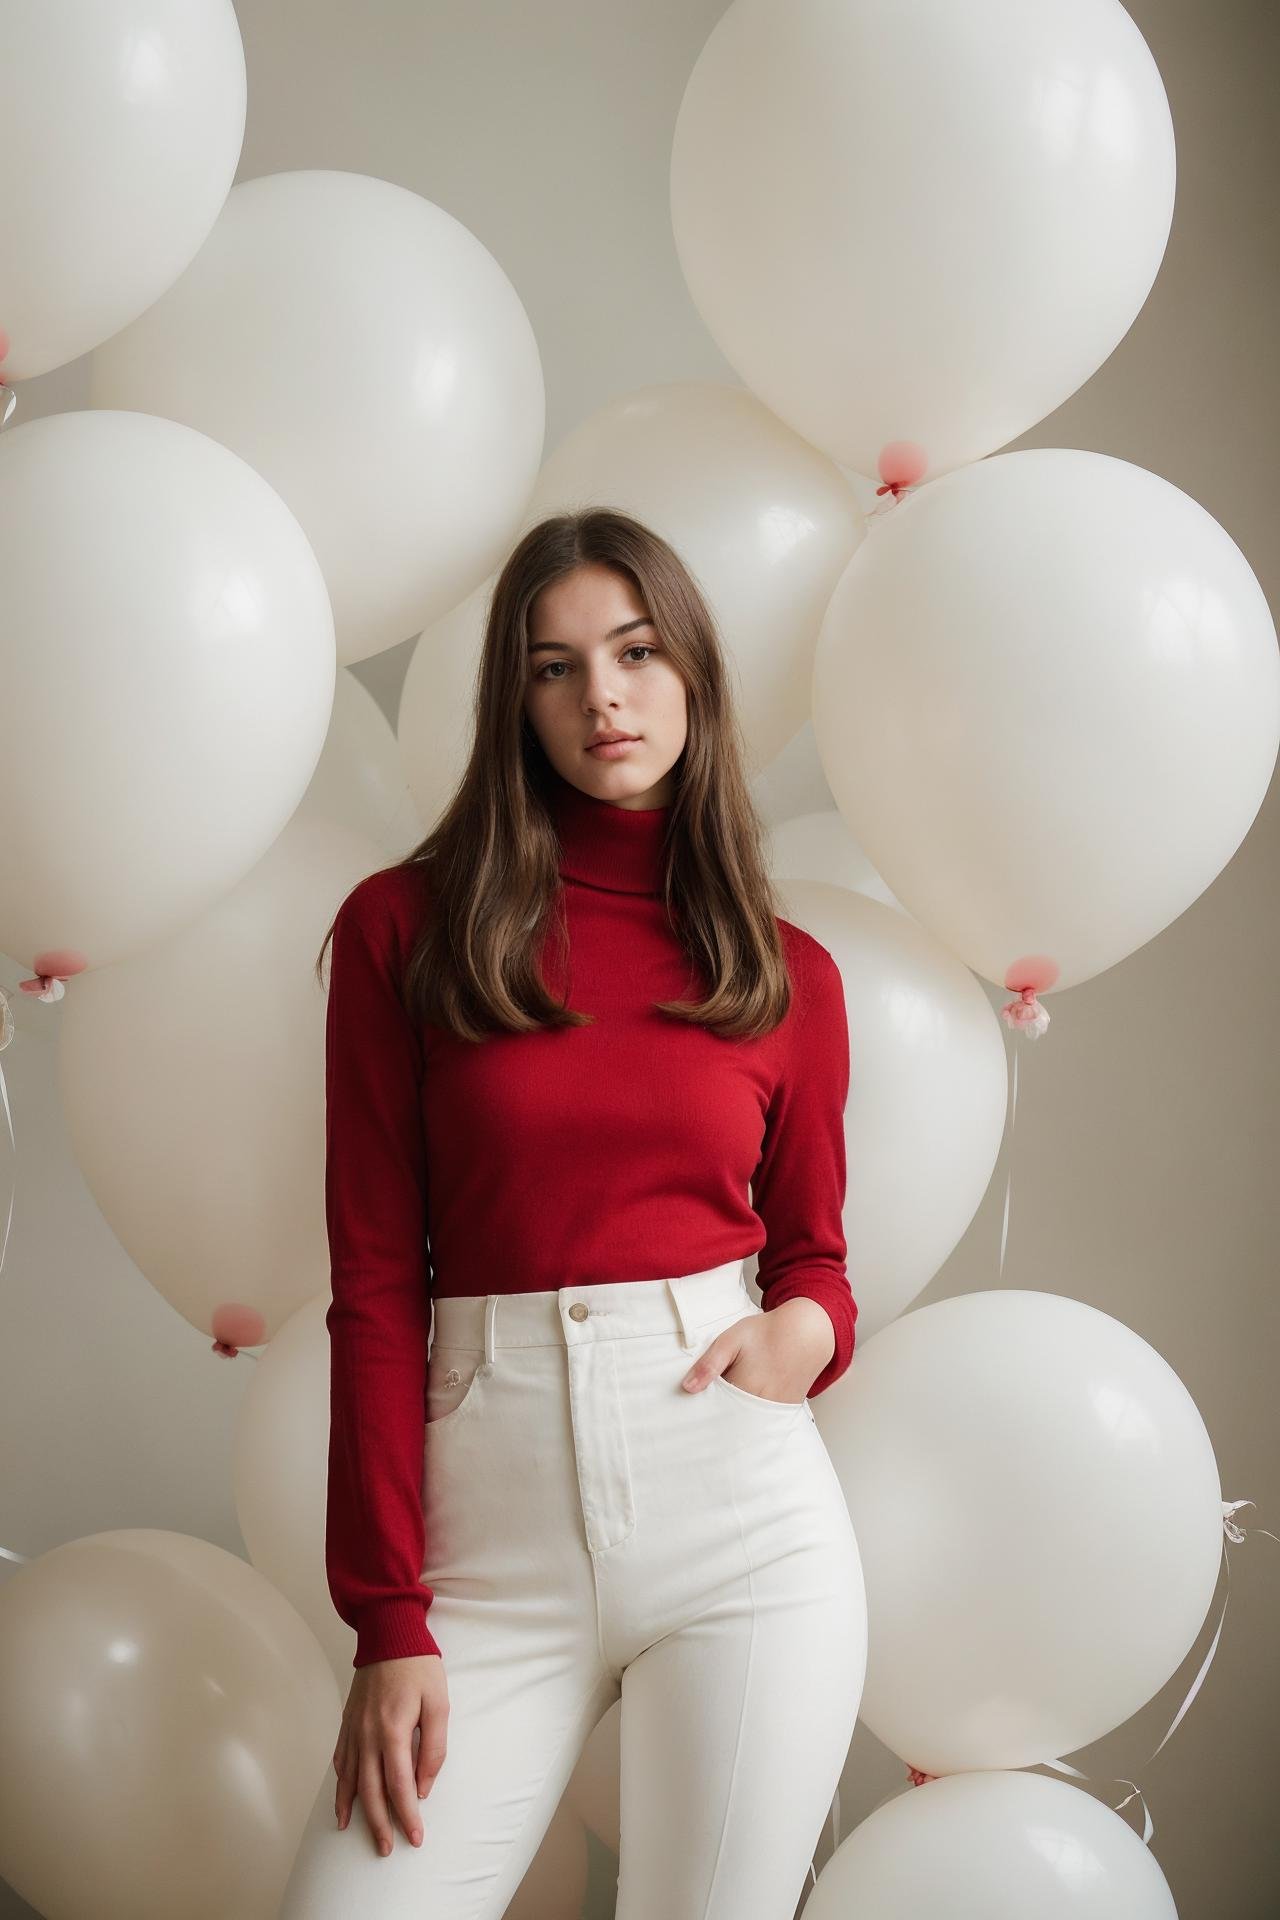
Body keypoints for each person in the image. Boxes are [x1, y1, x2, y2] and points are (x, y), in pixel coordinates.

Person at [279, 509, 868, 1918]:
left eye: (637, 651)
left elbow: (819, 1264)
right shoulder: (399, 933)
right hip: (486, 1547)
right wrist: (387, 1619)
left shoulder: (787, 974)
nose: (603, 696)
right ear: (516, 702)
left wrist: (803, 1336)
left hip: (743, 1525)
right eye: (555, 668)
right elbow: (375, 1285)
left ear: (693, 677)